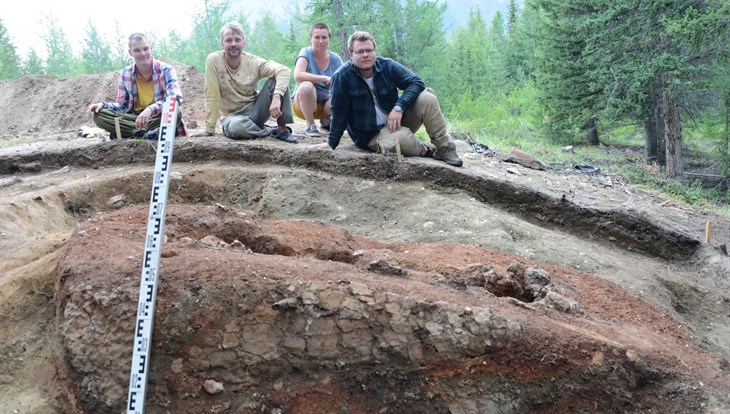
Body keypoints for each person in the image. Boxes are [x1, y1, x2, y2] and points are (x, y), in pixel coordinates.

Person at [314, 31, 463, 167]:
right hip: (371, 135)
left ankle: (444, 148)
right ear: (351, 54)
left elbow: (416, 83)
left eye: (369, 50)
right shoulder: (342, 77)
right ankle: (427, 150)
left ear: (374, 51)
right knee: (399, 140)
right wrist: (331, 143)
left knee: (427, 98)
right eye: (360, 51)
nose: (365, 54)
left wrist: (399, 107)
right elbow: (339, 111)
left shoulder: (387, 66)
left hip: (397, 120)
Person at [192, 22, 296, 143]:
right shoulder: (214, 60)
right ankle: (269, 131)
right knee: (237, 128)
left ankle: (282, 129)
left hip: (256, 112)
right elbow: (212, 95)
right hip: (232, 118)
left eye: (237, 40)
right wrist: (209, 129)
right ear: (222, 44)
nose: (233, 44)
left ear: (244, 43)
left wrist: (277, 97)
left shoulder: (253, 61)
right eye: (228, 40)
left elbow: (284, 70)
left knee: (277, 80)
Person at [87, 32, 187, 139]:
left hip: (157, 116)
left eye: (145, 49)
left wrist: (150, 109)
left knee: (176, 112)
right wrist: (104, 105)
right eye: (137, 50)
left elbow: (175, 98)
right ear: (130, 53)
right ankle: (142, 133)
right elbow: (123, 106)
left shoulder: (166, 70)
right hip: (135, 119)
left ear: (151, 49)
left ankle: (132, 133)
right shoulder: (125, 73)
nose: (143, 53)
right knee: (99, 116)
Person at [292, 22, 344, 137]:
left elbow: (344, 81)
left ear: (329, 39)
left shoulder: (336, 59)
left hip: (326, 104)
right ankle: (310, 125)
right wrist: (324, 78)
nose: (321, 41)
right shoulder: (306, 52)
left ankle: (327, 121)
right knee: (306, 85)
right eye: (317, 37)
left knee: (343, 92)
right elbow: (298, 75)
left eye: (324, 37)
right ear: (311, 39)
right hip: (303, 104)